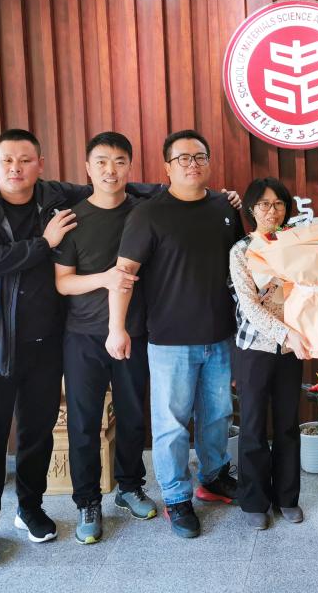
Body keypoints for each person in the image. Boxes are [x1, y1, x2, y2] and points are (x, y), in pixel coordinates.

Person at [110, 129, 244, 540]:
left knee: (217, 415)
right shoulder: (148, 214)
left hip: (219, 335)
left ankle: (213, 477)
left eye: (199, 156)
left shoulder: (224, 207)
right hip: (170, 340)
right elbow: (124, 274)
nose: (192, 164)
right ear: (167, 167)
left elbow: (241, 266)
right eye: (183, 158)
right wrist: (116, 327)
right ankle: (176, 496)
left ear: (209, 162)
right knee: (171, 425)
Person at [0, 129, 80, 567]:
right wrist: (45, 244)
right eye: (7, 160)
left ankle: (30, 508)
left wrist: (176, 190)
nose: (16, 168)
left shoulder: (54, 196)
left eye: (25, 160)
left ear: (39, 164)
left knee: (37, 435)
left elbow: (111, 187)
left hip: (44, 344)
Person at [54, 132, 157, 545]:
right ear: (87, 168)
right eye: (101, 161)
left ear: (129, 166)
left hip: (135, 332)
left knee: (133, 415)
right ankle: (87, 501)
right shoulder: (73, 220)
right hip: (83, 336)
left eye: (119, 161)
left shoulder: (145, 213)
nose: (110, 170)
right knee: (84, 422)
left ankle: (130, 487)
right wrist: (106, 278)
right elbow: (63, 283)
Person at [229, 177, 312, 530]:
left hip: (291, 349)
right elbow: (248, 305)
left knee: (287, 423)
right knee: (252, 425)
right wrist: (284, 332)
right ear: (251, 209)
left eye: (278, 204)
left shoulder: (296, 243)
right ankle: (254, 501)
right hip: (255, 348)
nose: (272, 211)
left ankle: (287, 497)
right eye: (264, 204)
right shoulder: (241, 250)